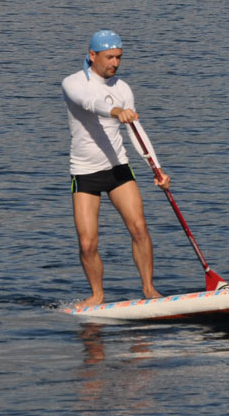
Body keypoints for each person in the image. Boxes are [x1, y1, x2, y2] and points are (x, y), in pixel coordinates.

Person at [61, 30, 171, 310]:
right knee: (87, 243)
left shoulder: (123, 88)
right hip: (84, 172)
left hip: (118, 169)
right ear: (92, 55)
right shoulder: (72, 83)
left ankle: (149, 289)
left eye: (119, 57)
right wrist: (115, 112)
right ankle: (97, 295)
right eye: (109, 57)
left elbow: (136, 132)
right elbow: (91, 104)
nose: (115, 63)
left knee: (139, 228)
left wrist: (156, 169)